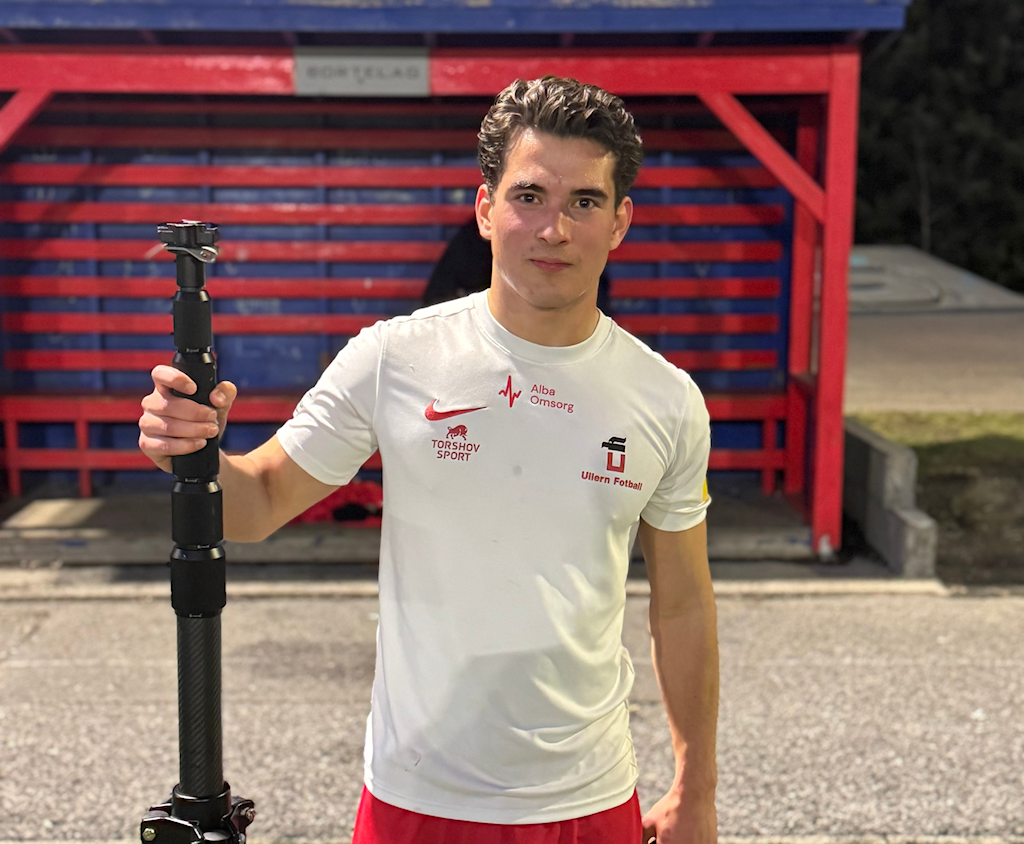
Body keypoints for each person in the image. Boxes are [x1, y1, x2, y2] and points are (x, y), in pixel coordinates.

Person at [139, 76, 719, 844]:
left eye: (584, 202)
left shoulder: (666, 399)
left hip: (588, 798)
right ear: (485, 209)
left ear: (620, 223)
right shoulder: (395, 358)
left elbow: (682, 604)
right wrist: (193, 452)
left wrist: (696, 791)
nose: (554, 229)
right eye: (529, 196)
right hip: (416, 796)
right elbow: (259, 500)